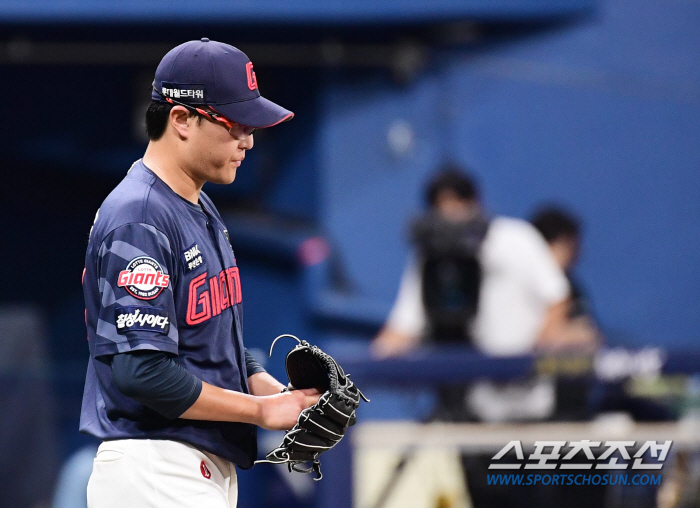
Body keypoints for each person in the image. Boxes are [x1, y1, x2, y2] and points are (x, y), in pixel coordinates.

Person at [79, 39, 320, 508]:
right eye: (235, 126)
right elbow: (143, 372)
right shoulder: (141, 215)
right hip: (156, 466)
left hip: (187, 467)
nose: (248, 141)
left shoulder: (196, 203)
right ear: (182, 120)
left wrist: (267, 386)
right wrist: (259, 410)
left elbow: (204, 338)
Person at [372, 166, 593, 363]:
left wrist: (534, 352)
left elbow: (557, 297)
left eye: (458, 204)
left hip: (525, 392)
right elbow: (402, 327)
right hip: (465, 390)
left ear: (475, 203)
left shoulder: (516, 238)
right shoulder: (429, 256)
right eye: (442, 208)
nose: (451, 216)